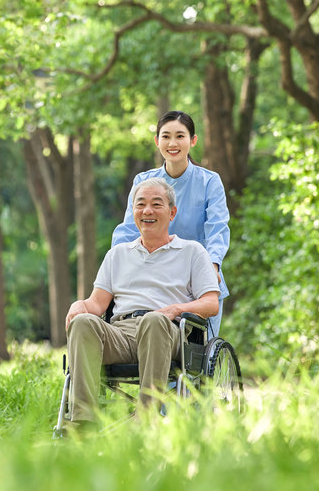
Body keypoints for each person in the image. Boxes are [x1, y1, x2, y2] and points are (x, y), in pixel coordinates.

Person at [66, 177, 220, 426]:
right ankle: (83, 422)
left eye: (156, 204)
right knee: (83, 322)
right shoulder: (117, 255)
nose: (147, 211)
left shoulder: (192, 252)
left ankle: (146, 417)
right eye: (141, 205)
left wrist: (177, 308)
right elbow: (96, 305)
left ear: (172, 213)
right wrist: (78, 306)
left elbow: (211, 304)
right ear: (133, 212)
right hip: (122, 334)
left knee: (154, 320)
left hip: (168, 333)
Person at [111, 110, 230, 338]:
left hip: (197, 277)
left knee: (199, 354)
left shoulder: (209, 182)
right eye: (166, 136)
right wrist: (115, 263)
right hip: (153, 276)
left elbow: (217, 228)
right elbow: (127, 229)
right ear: (157, 141)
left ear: (192, 140)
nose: (172, 143)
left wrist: (212, 265)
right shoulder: (143, 182)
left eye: (180, 136)